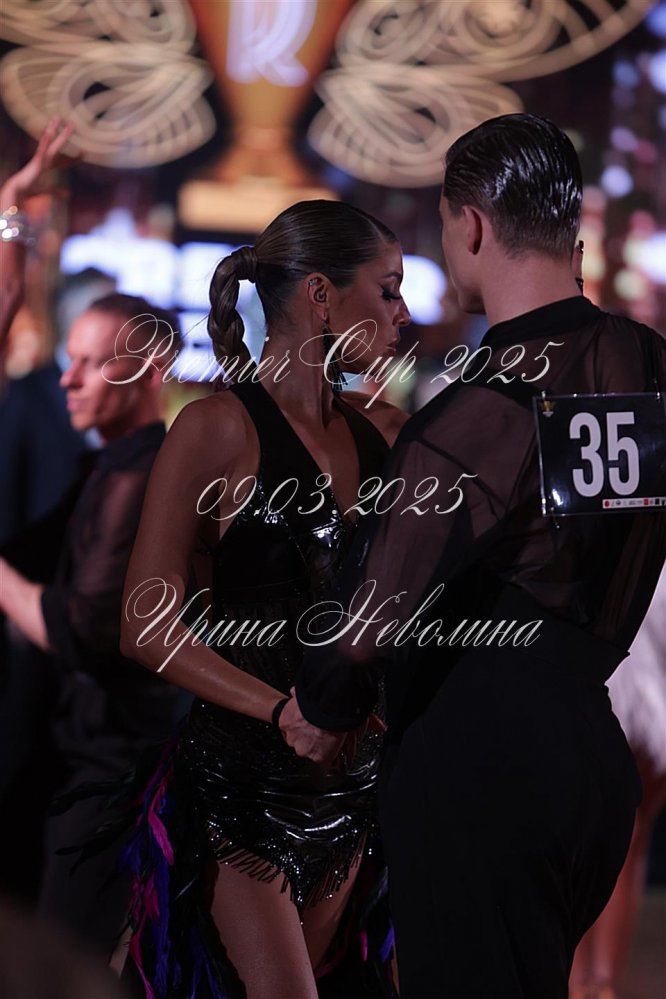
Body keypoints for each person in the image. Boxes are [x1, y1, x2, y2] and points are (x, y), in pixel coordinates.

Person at [284, 113, 666, 997]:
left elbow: (367, 622)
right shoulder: (644, 364)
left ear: (472, 225)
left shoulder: (479, 412)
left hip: (482, 767)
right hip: (592, 759)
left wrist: (319, 707)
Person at [119, 199, 410, 999]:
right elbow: (144, 625)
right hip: (240, 794)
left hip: (359, 794)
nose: (404, 314)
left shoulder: (388, 433)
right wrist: (283, 710)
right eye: (387, 289)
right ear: (322, 295)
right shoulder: (215, 428)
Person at [0, 293, 185, 956]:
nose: (67, 379)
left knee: (61, 957)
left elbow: (77, 629)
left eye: (91, 363)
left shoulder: (142, 477)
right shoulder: (108, 466)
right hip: (74, 756)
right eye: (68, 359)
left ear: (149, 373)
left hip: (111, 768)